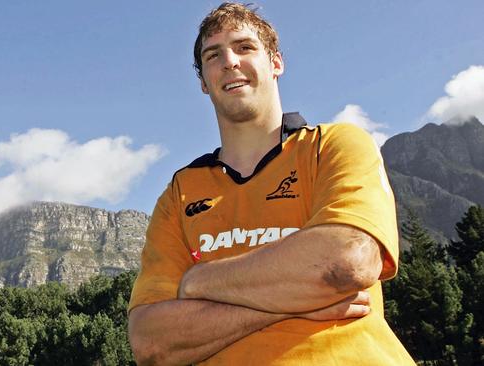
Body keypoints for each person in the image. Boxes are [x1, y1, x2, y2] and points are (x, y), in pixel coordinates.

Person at [127, 3, 415, 365]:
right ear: (203, 82)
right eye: (213, 55)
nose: (230, 61)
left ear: (276, 63)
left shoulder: (334, 145)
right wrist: (295, 302)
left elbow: (345, 262)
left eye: (245, 47)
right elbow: (152, 342)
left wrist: (199, 281)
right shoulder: (180, 193)